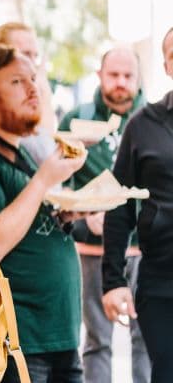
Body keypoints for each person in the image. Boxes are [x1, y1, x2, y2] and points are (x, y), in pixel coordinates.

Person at [0, 45, 86, 383]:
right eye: (17, 82)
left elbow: (24, 218)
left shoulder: (12, 151)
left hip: (57, 337)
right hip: (20, 343)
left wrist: (63, 214)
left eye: (33, 79)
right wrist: (44, 179)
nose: (33, 89)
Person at [59, 47, 149, 383]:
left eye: (128, 76)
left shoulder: (152, 120)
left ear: (139, 79)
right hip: (91, 251)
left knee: (148, 340)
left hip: (144, 249)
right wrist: (84, 215)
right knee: (97, 343)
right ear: (99, 75)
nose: (121, 83)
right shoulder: (76, 119)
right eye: (114, 75)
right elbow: (57, 184)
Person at [102, 27, 173, 383]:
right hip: (161, 283)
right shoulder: (142, 125)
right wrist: (113, 280)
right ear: (166, 64)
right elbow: (119, 206)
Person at [0, 22, 58, 164]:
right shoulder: (3, 110)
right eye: (26, 54)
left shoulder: (33, 96)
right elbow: (47, 159)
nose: (33, 64)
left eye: (35, 56)